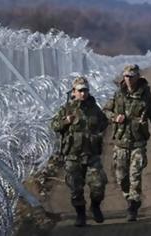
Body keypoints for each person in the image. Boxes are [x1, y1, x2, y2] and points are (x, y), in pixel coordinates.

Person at [103, 64, 151, 221]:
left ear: (138, 77)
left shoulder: (146, 96)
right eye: (126, 76)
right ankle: (129, 196)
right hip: (121, 143)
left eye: (131, 76)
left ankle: (133, 205)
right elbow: (106, 111)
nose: (128, 79)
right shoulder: (118, 95)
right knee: (121, 177)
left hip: (138, 143)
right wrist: (115, 117)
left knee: (135, 175)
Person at [51, 76, 108, 227]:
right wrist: (66, 121)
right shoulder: (67, 109)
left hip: (91, 155)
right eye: (80, 90)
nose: (83, 93)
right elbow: (54, 125)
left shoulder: (94, 108)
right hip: (73, 156)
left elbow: (103, 122)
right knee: (76, 188)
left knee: (98, 184)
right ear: (74, 92)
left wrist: (95, 135)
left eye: (86, 90)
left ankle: (95, 206)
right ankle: (80, 214)